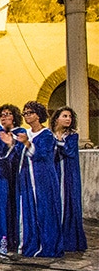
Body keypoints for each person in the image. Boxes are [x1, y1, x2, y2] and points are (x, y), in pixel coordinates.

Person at [0, 101, 63, 257]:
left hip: (43, 179)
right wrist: (10, 144)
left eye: (30, 113)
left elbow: (43, 154)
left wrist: (27, 143)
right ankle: (31, 243)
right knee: (28, 210)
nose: (27, 116)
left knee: (44, 210)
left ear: (38, 115)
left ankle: (47, 245)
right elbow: (16, 156)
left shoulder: (46, 134)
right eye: (25, 113)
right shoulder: (25, 133)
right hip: (26, 178)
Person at [51, 106, 87, 252]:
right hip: (55, 172)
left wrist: (59, 141)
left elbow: (69, 151)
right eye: (64, 116)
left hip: (68, 174)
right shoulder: (49, 135)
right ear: (56, 119)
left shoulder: (72, 136)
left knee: (68, 202)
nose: (68, 119)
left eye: (70, 117)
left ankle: (69, 240)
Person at [0, 104, 26, 250]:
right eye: (2, 115)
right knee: (5, 206)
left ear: (14, 117)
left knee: (15, 204)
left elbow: (21, 151)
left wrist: (11, 143)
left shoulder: (21, 132)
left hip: (17, 173)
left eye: (8, 114)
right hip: (3, 173)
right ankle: (5, 238)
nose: (4, 117)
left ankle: (16, 239)